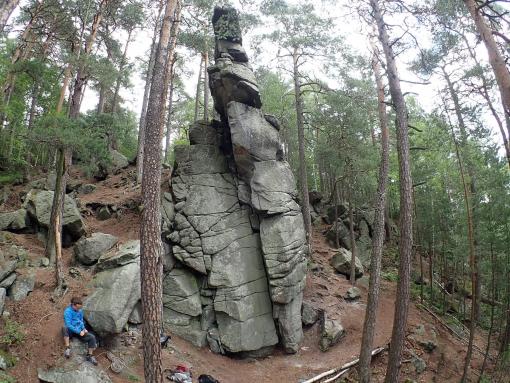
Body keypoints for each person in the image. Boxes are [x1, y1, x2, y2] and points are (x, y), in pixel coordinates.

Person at [62, 296, 98, 365]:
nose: (79, 309)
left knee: (92, 337)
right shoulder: (67, 311)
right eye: (77, 308)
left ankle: (89, 355)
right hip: (71, 331)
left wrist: (83, 329)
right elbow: (69, 324)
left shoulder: (80, 311)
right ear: (73, 305)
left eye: (80, 308)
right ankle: (67, 348)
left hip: (79, 330)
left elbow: (81, 320)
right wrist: (78, 331)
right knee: (64, 327)